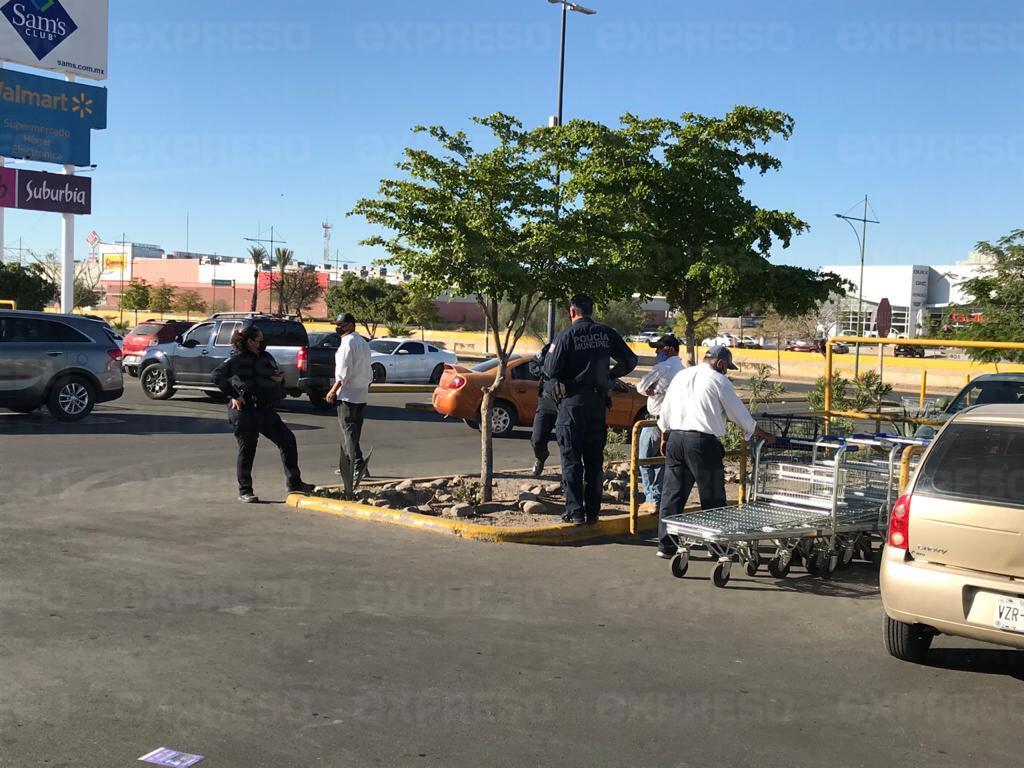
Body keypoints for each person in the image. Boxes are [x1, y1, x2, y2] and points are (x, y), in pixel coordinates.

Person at [654, 345, 775, 556]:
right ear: (720, 363)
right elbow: (739, 414)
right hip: (701, 443)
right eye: (726, 366)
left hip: (675, 439)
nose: (726, 370)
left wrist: (665, 436)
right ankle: (716, 547)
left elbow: (666, 410)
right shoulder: (718, 380)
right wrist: (764, 434)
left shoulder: (681, 376)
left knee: (672, 494)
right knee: (712, 497)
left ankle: (666, 545)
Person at [544, 294, 638, 525]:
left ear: (572, 312)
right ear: (591, 311)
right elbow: (630, 360)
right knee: (595, 462)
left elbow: (550, 369)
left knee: (572, 460)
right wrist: (609, 376)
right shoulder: (606, 333)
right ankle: (593, 512)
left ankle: (575, 512)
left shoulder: (566, 335)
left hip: (572, 405)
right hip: (597, 405)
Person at [212, 326, 316, 503]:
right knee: (248, 450)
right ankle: (245, 490)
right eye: (260, 339)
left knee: (288, 440)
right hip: (245, 412)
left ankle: (294, 483)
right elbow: (216, 376)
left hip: (265, 410)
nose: (263, 341)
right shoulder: (238, 359)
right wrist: (235, 395)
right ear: (250, 342)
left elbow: (275, 375)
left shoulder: (266, 357)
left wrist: (278, 379)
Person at [325, 312, 373, 498]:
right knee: (354, 431)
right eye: (338, 325)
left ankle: (356, 465)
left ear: (351, 325)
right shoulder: (363, 343)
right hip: (361, 394)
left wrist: (333, 390)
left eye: (342, 325)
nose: (339, 328)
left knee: (349, 431)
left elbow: (343, 371)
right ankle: (350, 465)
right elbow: (369, 370)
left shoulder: (347, 343)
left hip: (347, 394)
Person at [636, 334, 685, 510]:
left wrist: (653, 390)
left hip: (655, 421)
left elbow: (641, 387)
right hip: (674, 422)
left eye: (659, 348)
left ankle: (652, 498)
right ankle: (659, 497)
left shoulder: (663, 367)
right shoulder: (682, 369)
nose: (657, 352)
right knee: (661, 461)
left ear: (669, 349)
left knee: (644, 459)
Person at [528, 344, 558, 478]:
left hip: (566, 403)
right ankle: (541, 458)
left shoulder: (579, 348)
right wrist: (544, 370)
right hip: (546, 401)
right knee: (537, 439)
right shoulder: (551, 347)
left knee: (567, 442)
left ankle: (570, 477)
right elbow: (533, 363)